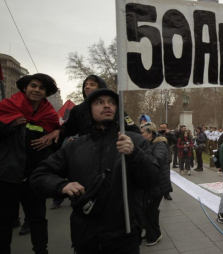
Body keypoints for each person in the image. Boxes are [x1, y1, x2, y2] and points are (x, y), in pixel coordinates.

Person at [30, 89, 160, 254]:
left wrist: (134, 154)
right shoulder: (75, 146)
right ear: (88, 110)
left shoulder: (135, 141)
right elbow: (38, 175)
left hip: (125, 238)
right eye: (99, 102)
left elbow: (153, 180)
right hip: (85, 238)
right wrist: (61, 185)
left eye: (112, 102)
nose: (107, 106)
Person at [0, 73, 60, 254]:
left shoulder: (50, 116)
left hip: (35, 178)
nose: (37, 90)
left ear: (46, 93)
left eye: (41, 88)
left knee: (38, 220)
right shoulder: (6, 107)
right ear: (25, 88)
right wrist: (9, 126)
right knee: (3, 223)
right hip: (7, 177)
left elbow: (56, 145)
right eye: (33, 86)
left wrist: (55, 134)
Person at [139, 122, 170, 246]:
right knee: (146, 210)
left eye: (142, 133)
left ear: (150, 133)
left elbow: (156, 160)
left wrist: (140, 155)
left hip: (158, 184)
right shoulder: (149, 143)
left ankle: (155, 234)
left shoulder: (160, 144)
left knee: (150, 210)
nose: (140, 135)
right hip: (151, 183)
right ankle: (149, 233)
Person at [157, 123, 174, 200]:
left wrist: (169, 134)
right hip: (157, 157)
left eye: (164, 128)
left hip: (166, 158)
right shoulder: (156, 135)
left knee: (166, 176)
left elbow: (175, 141)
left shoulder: (169, 135)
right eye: (161, 128)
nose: (162, 129)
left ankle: (167, 193)